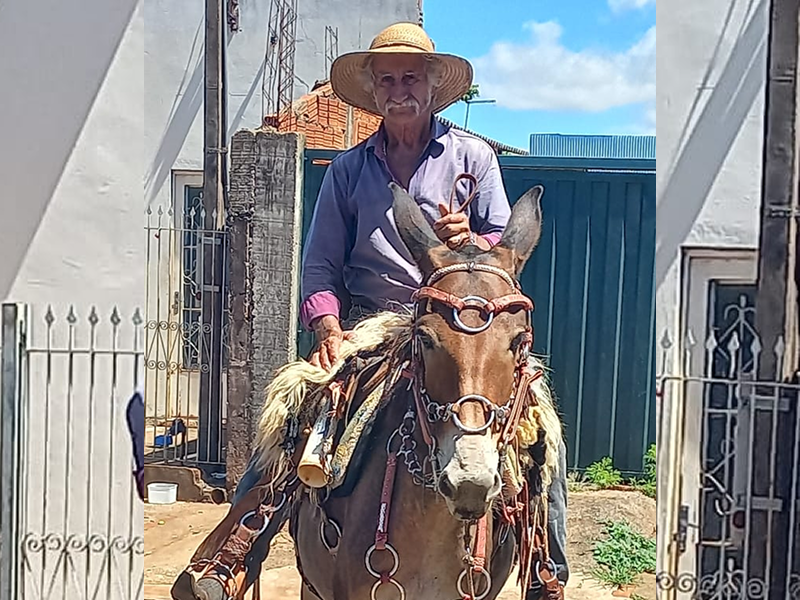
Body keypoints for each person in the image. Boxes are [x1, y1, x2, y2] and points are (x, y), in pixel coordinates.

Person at [176, 22, 569, 600]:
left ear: (435, 86)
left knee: (542, 430)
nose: (398, 88)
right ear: (375, 91)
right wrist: (328, 326)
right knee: (297, 409)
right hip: (373, 324)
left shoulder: (475, 158)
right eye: (387, 79)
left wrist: (472, 245)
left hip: (464, 325)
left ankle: (547, 572)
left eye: (411, 76)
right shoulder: (347, 171)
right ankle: (234, 555)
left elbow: (503, 254)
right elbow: (319, 266)